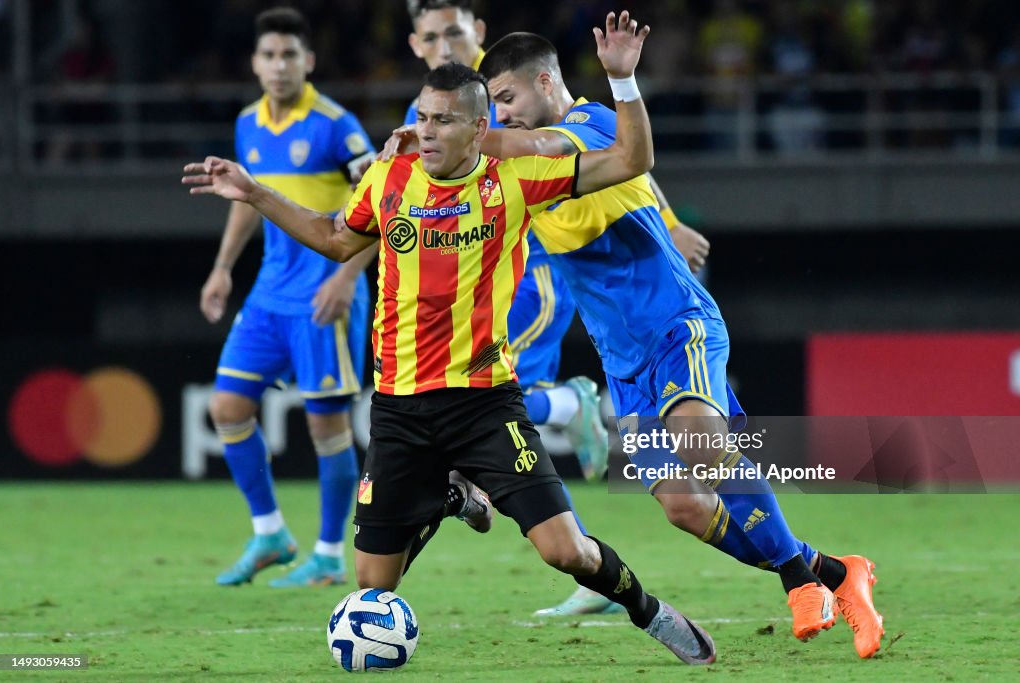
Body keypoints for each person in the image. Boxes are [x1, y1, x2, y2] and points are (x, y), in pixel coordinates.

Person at [185, 11, 719, 666]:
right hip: (400, 408)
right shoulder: (388, 180)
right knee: (371, 584)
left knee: (565, 551)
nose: (424, 131)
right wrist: (254, 192)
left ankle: (652, 612)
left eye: (442, 120)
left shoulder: (517, 181)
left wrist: (623, 83)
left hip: (484, 404)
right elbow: (332, 236)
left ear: (480, 127)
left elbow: (633, 158)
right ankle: (445, 492)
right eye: (423, 117)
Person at [461, 31, 883, 658]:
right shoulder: (516, 168)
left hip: (676, 324)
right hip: (624, 359)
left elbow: (569, 145)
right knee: (685, 507)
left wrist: (455, 134)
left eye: (507, 96)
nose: (504, 112)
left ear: (545, 82)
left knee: (701, 446)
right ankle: (834, 572)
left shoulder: (590, 121)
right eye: (493, 104)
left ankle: (798, 582)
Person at [405, 0, 615, 618]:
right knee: (494, 419)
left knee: (483, 410)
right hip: (469, 293)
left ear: (479, 34)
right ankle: (569, 554)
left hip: (526, 279)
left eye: (455, 31)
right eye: (431, 35)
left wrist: (670, 220)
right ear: (416, 45)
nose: (444, 43)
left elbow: (604, 158)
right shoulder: (435, 113)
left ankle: (570, 408)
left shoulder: (503, 101)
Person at [199, 7, 376, 588]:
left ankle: (327, 553)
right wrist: (223, 268)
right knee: (226, 407)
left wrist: (347, 276)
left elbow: (385, 201)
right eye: (269, 55)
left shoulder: (336, 124)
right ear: (254, 63)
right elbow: (244, 200)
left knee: (327, 428)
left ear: (309, 61)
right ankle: (270, 532)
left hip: (325, 294)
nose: (279, 65)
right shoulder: (249, 123)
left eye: (289, 55)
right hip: (270, 293)